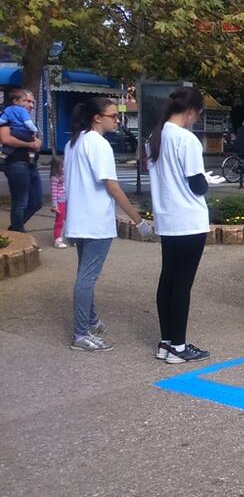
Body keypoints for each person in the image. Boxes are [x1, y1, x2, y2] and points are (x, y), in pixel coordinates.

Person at [63, 97, 153, 352]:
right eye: (113, 116)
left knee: (84, 274)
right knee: (87, 277)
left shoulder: (74, 142)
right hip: (94, 221)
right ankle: (81, 334)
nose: (118, 120)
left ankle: (90, 320)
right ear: (97, 118)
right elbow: (112, 186)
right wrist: (139, 220)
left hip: (80, 219)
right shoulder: (98, 144)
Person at [146, 87, 224, 364]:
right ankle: (178, 347)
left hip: (167, 219)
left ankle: (167, 341)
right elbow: (196, 184)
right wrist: (208, 181)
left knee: (168, 280)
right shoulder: (186, 140)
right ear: (191, 111)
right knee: (182, 285)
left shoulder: (155, 136)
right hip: (189, 220)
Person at [1, 89, 44, 232]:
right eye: (27, 101)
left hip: (31, 163)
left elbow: (36, 138)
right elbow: (6, 139)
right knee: (20, 203)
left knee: (36, 202)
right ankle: (18, 233)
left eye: (32, 102)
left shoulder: (27, 120)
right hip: (16, 163)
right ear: (16, 101)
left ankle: (14, 229)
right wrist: (29, 144)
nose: (31, 104)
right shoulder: (7, 117)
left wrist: (38, 143)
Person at [49, 155, 68, 249]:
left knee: (67, 220)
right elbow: (54, 193)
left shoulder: (66, 176)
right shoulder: (55, 178)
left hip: (67, 201)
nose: (65, 168)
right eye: (62, 166)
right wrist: (54, 206)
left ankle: (66, 236)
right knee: (60, 221)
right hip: (60, 202)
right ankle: (57, 239)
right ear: (56, 168)